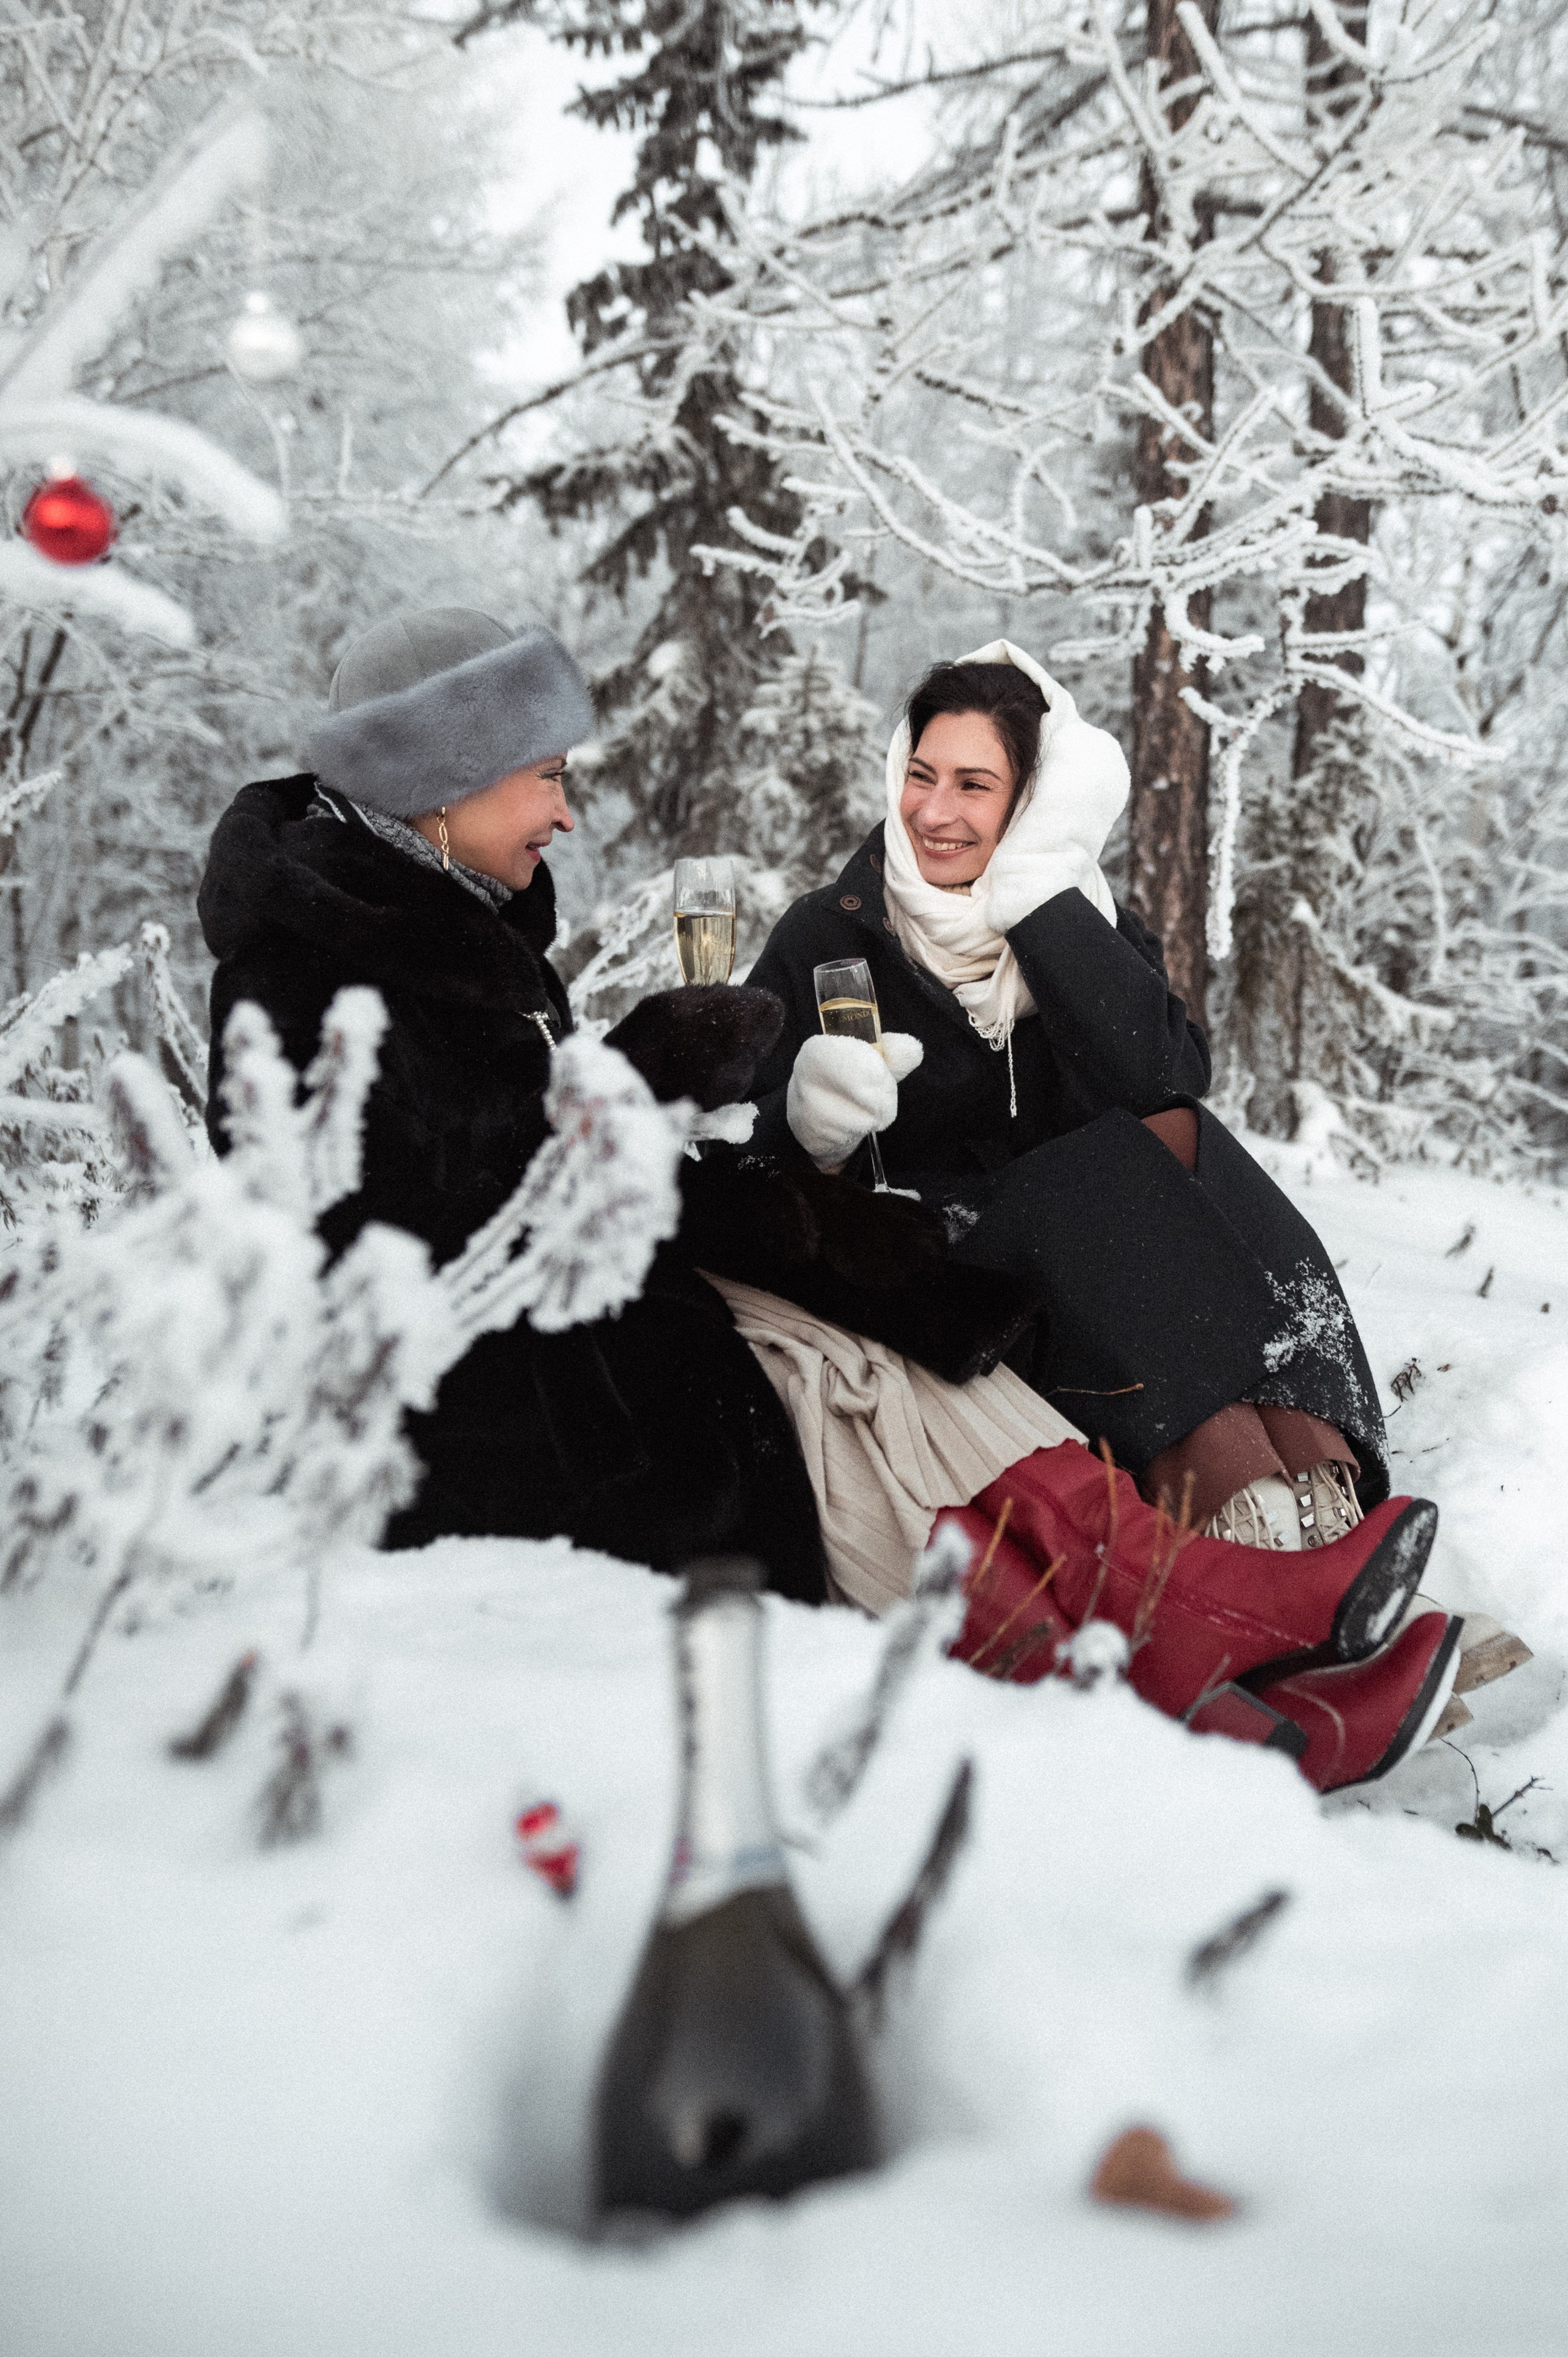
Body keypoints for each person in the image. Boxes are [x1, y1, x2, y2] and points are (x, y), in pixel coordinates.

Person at [194, 607, 1473, 1791]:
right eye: (546, 777)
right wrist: (705, 1106)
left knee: (1018, 1265)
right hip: (479, 1392)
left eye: (977, 785)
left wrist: (775, 1200)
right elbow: (403, 1228)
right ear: (443, 784)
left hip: (642, 1294)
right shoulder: (320, 980)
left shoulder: (454, 921)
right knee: (843, 1379)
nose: (566, 816)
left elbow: (1156, 1073)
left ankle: (1236, 1598)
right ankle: (1199, 1641)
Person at [742, 640, 1530, 1710]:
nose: (935, 812)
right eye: (923, 774)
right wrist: (811, 1124)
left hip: (1108, 1275)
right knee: (1114, 1181)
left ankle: (1329, 1536)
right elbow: (742, 1166)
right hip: (938, 1267)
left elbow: (1162, 1074)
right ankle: (1266, 1567)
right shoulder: (828, 938)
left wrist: (1034, 896)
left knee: (1183, 1143)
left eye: (977, 786)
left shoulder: (1072, 921)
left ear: (1029, 806)